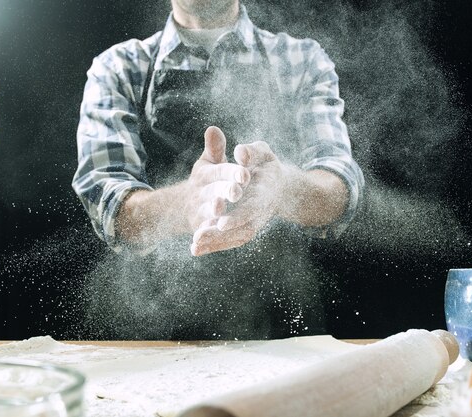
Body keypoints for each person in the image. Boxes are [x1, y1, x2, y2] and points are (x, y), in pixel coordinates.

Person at [72, 0, 364, 340]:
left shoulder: (301, 59)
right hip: (153, 336)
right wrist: (189, 203)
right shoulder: (119, 68)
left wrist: (280, 188)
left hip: (286, 327)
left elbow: (339, 187)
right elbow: (108, 205)